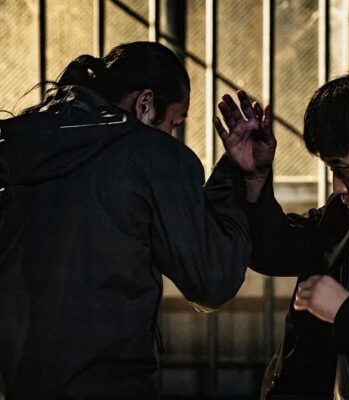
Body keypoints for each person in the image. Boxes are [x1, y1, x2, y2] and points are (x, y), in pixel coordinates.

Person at [0, 41, 251, 399]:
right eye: (174, 122)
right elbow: (212, 280)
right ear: (145, 103)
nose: (171, 134)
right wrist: (235, 179)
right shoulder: (150, 154)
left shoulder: (24, 145)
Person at [214, 70, 349, 399]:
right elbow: (273, 250)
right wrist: (254, 177)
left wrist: (346, 314)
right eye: (331, 170)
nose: (337, 187)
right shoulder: (348, 216)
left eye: (343, 169)